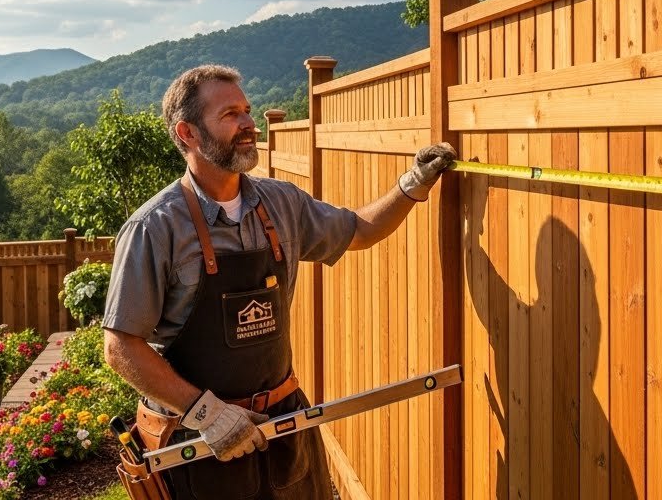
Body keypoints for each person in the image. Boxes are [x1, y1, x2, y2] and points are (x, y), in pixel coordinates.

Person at [103, 64, 455, 500]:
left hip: (284, 429)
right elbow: (121, 347)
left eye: (247, 111)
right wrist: (206, 413)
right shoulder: (156, 228)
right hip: (197, 444)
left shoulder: (282, 203)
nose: (248, 123)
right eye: (230, 114)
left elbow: (360, 229)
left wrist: (413, 183)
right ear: (188, 133)